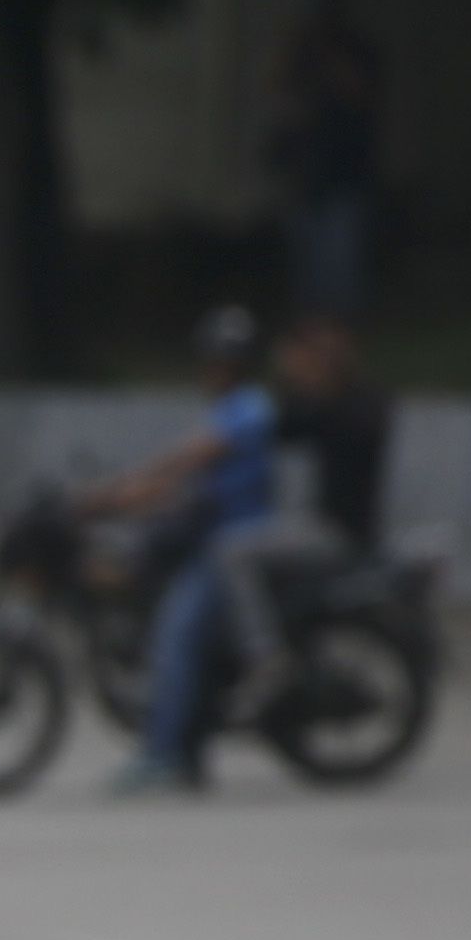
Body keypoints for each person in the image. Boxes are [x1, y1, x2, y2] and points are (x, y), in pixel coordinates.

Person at [84, 307, 281, 796]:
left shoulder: (252, 408)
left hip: (233, 546)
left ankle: (163, 755)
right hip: (206, 537)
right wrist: (135, 498)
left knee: (174, 635)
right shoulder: (225, 409)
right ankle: (186, 747)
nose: (209, 371)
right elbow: (194, 480)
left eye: (218, 362)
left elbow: (195, 457)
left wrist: (132, 485)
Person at [216, 312, 393, 714]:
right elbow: (284, 427)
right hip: (326, 528)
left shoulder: (360, 405)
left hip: (339, 535)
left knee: (231, 550)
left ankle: (265, 657)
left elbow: (315, 420)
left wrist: (307, 381)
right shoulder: (340, 405)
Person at [259, 0, 384, 319]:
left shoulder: (356, 51)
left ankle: (341, 339)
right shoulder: (298, 58)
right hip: (304, 180)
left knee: (341, 274)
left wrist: (329, 54)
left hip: (345, 179)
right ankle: (312, 337)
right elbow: (278, 99)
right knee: (308, 278)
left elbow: (360, 92)